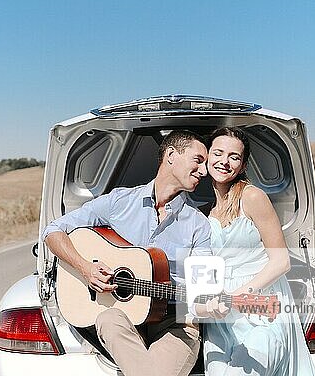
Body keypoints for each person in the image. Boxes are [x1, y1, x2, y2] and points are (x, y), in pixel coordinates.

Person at [43, 130, 212, 376]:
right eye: (198, 160)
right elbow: (53, 230)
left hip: (175, 323)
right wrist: (85, 267)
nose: (205, 171)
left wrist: (211, 300)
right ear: (172, 156)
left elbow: (206, 285)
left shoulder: (199, 224)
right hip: (121, 317)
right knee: (108, 318)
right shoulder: (118, 202)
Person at [195, 127, 315, 376]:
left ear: (242, 166)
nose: (224, 162)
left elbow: (281, 261)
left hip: (260, 307)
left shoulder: (253, 197)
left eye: (234, 157)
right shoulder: (204, 211)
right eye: (218, 153)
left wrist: (237, 296)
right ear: (207, 157)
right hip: (221, 317)